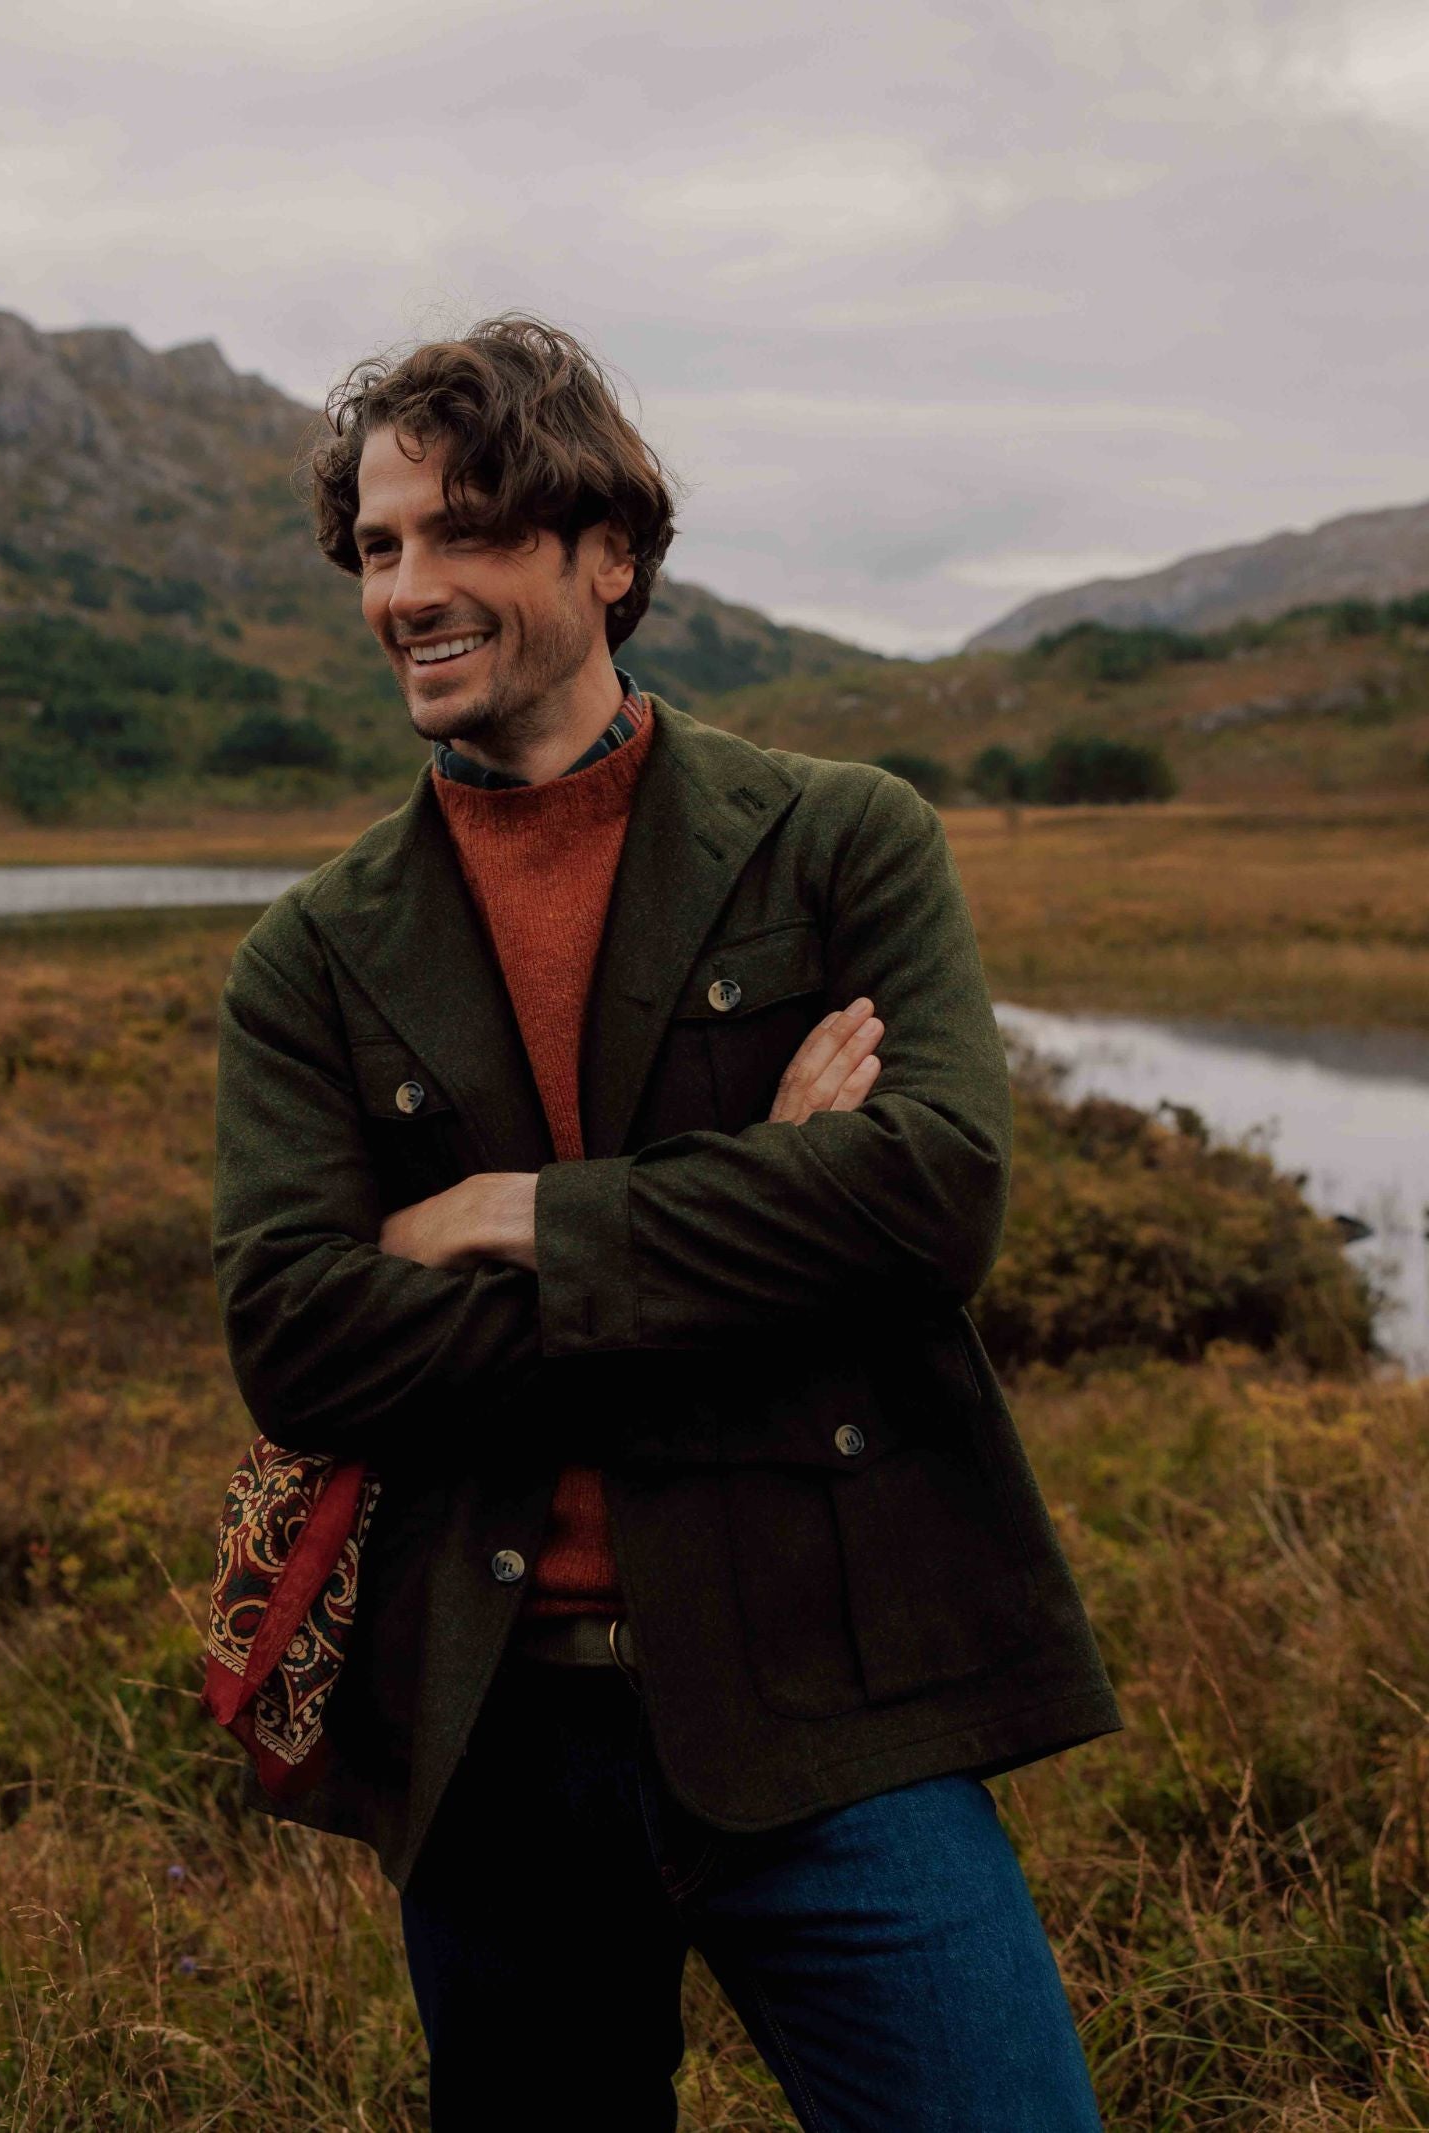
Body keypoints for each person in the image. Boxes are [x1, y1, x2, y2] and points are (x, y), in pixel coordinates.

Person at [210, 313, 1123, 2132]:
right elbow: (299, 1338)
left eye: (465, 530)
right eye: (381, 546)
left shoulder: (842, 842)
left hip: (831, 1694)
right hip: (493, 1740)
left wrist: (510, 1218)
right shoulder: (310, 955)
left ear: (607, 553)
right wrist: (765, 1207)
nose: (410, 588)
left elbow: (932, 1198)